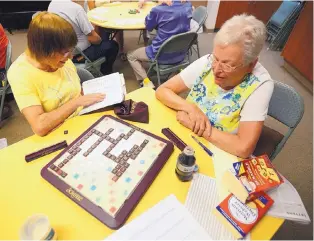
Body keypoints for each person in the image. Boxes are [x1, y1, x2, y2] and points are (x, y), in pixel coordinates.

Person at [155, 14, 274, 158]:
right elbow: (163, 90)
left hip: (218, 153)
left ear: (251, 65)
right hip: (186, 139)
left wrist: (193, 124)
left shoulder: (260, 84)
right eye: (216, 58)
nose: (216, 70)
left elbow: (243, 148)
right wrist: (190, 108)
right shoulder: (207, 62)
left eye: (227, 64)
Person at [8, 12, 105, 136]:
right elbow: (39, 126)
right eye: (65, 52)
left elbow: (76, 91)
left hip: (82, 121)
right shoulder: (20, 73)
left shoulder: (61, 61)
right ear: (43, 50)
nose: (70, 57)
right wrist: (77, 102)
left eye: (71, 50)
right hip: (59, 134)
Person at [127, 0, 192, 87]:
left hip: (161, 55)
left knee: (131, 55)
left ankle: (146, 81)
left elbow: (148, 26)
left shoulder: (158, 10)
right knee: (154, 39)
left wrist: (156, 10)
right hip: (181, 53)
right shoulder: (188, 6)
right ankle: (175, 72)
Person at [48, 0, 119, 75]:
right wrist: (100, 38)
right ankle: (105, 72)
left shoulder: (53, 3)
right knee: (112, 45)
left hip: (59, 49)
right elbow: (94, 38)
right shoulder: (77, 9)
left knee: (103, 35)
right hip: (77, 54)